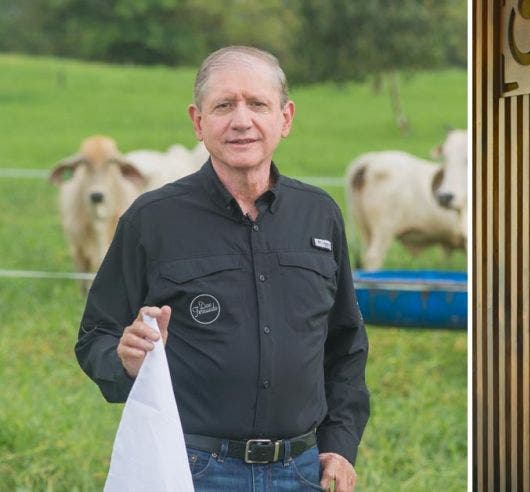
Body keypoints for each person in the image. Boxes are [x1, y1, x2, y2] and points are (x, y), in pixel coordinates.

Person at [75, 46, 369, 492]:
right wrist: (123, 358)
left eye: (257, 104)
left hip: (303, 471)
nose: (241, 120)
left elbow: (345, 343)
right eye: (224, 105)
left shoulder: (320, 215)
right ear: (198, 121)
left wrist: (341, 445)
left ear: (285, 118)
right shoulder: (151, 220)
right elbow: (96, 335)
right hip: (190, 469)